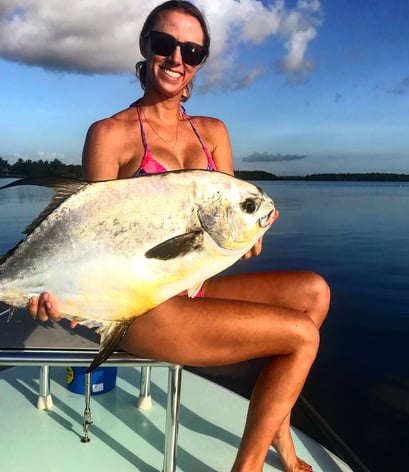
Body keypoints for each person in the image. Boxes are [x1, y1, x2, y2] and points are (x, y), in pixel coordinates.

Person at [28, 2, 330, 471]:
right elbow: (87, 234)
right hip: (143, 306)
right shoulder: (110, 135)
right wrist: (59, 293)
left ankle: (278, 438)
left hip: (195, 283)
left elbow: (228, 225)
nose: (176, 59)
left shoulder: (213, 132)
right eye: (164, 44)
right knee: (301, 337)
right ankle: (246, 468)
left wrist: (251, 233)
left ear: (200, 61)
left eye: (191, 50)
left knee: (314, 292)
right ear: (146, 47)